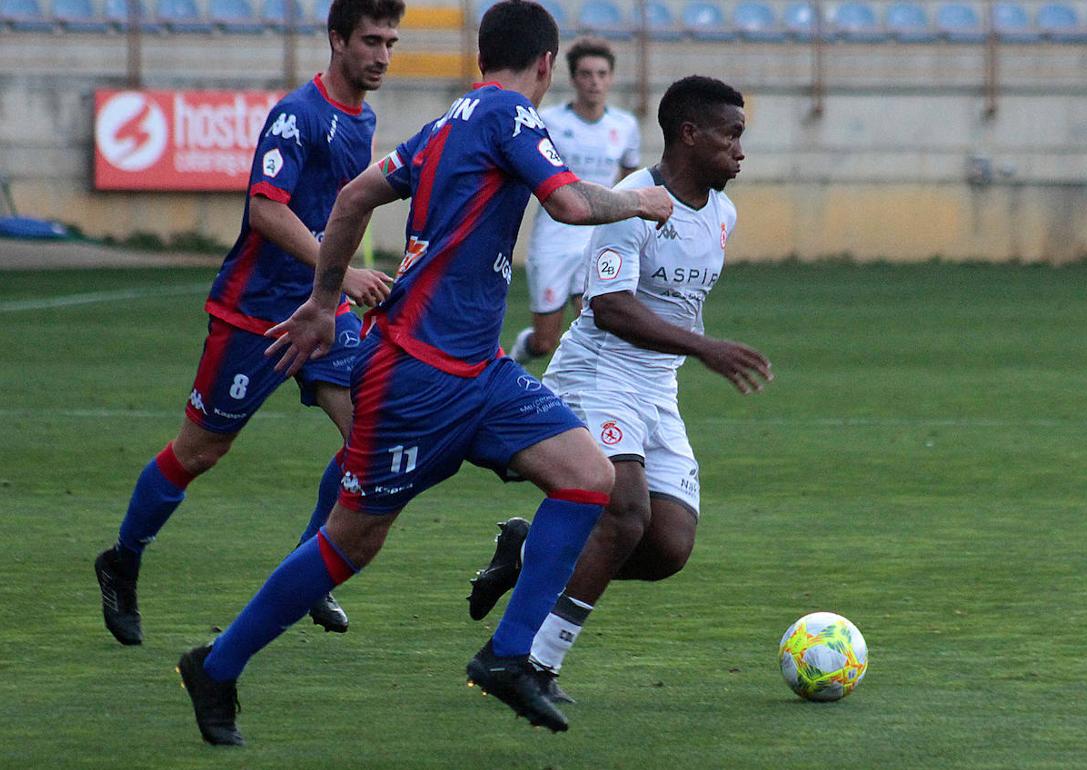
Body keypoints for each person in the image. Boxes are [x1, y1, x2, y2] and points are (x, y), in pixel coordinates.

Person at [174, 0, 673, 745]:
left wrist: (320, 300)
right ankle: (217, 664)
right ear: (545, 64)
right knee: (350, 544)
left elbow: (353, 197)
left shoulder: (447, 123)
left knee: (588, 477)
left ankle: (509, 657)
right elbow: (567, 203)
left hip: (479, 370)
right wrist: (641, 200)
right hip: (414, 373)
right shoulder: (509, 115)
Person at [93, 0, 402, 647]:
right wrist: (341, 271)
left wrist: (339, 286)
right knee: (200, 452)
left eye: (391, 42)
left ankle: (308, 572)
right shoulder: (299, 115)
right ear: (337, 38)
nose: (381, 55)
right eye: (371, 40)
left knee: (367, 438)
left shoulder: (363, 117)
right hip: (254, 314)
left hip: (323, 310)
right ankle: (122, 558)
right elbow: (266, 210)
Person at [466, 76, 772, 702]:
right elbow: (609, 307)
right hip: (599, 374)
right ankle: (534, 663)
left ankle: (528, 552)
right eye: (732, 136)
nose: (741, 151)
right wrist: (707, 347)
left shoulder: (723, 214)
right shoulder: (631, 200)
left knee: (667, 546)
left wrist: (692, 350)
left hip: (658, 386)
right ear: (689, 134)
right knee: (625, 514)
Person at [510, 36, 640, 366]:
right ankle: (511, 363)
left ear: (610, 77)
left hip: (596, 241)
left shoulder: (624, 126)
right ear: (573, 78)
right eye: (586, 73)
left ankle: (580, 399)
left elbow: (628, 183)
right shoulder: (549, 122)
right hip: (553, 240)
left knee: (596, 331)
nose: (594, 81)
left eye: (601, 73)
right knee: (544, 342)